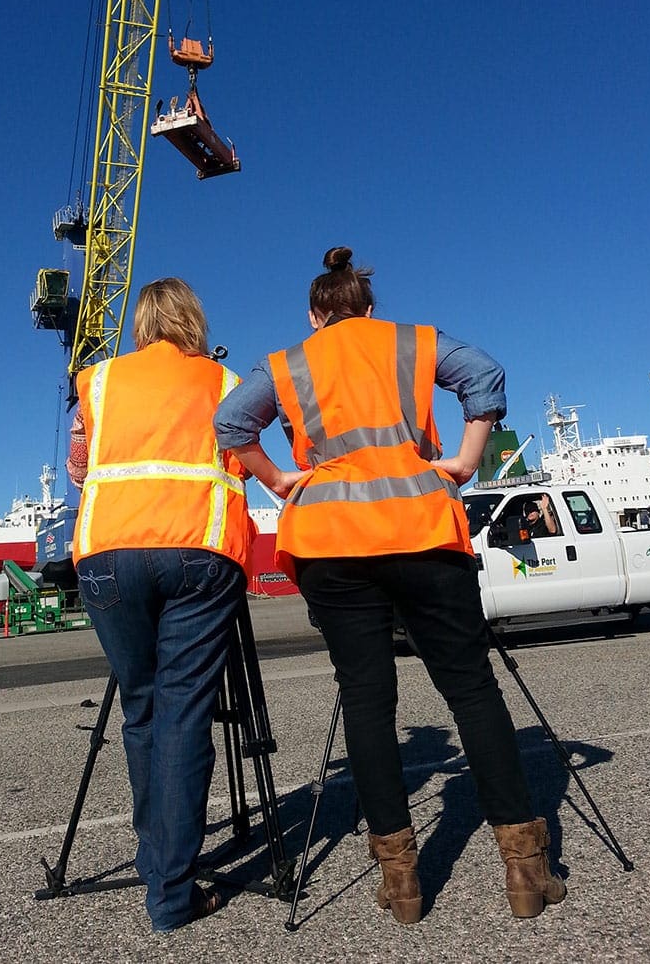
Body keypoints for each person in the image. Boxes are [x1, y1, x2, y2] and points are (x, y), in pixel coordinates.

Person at [214, 246, 565, 924]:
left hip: (331, 542)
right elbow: (484, 373)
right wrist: (464, 458)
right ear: (369, 308)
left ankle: (401, 884)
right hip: (421, 527)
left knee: (368, 700)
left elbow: (232, 424)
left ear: (316, 315)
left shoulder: (288, 363)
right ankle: (525, 869)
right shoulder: (413, 343)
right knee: (470, 688)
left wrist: (279, 480)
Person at [66, 277, 252, 932]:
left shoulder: (100, 382)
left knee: (142, 707)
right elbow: (246, 463)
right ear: (192, 321)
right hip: (199, 551)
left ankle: (158, 862)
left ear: (142, 324)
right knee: (183, 714)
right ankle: (171, 889)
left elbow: (80, 469)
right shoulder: (225, 384)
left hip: (107, 556)